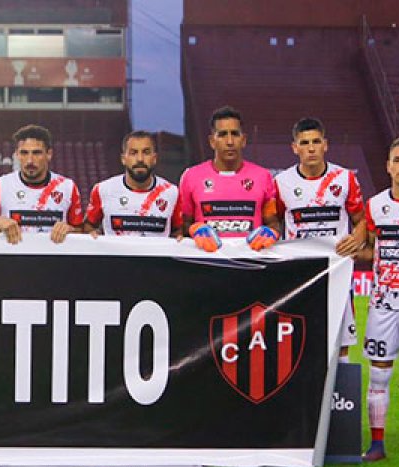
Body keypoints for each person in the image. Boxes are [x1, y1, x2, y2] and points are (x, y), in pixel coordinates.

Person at [274, 117, 365, 365]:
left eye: (316, 142)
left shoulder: (344, 179)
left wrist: (356, 240)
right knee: (300, 344)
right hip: (299, 277)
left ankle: (339, 402)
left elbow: (362, 220)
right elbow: (272, 222)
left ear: (325, 144)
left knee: (341, 348)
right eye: (304, 143)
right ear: (294, 147)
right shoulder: (282, 183)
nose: (311, 148)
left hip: (337, 274)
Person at [360, 137, 399, 462]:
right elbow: (370, 247)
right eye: (397, 160)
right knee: (379, 373)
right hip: (383, 304)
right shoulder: (375, 205)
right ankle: (377, 445)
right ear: (388, 165)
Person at [178, 106, 280, 252]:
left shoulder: (263, 176)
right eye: (222, 134)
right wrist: (195, 229)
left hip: (251, 264)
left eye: (235, 134)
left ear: (243, 140)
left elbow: (273, 223)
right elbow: (182, 226)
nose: (230, 141)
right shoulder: (191, 176)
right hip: (206, 264)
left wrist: (271, 232)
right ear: (212, 141)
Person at [0, 125, 83, 244]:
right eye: (24, 153)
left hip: (53, 260)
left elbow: (80, 231)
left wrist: (70, 229)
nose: (30, 160)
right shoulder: (0, 185)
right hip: (13, 260)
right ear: (17, 155)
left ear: (49, 154)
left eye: (37, 153)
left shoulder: (67, 187)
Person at [84, 130, 181, 237]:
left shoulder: (171, 192)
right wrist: (92, 234)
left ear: (154, 158)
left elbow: (178, 230)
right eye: (133, 153)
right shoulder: (103, 189)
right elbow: (87, 226)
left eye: (146, 152)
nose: (140, 159)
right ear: (123, 159)